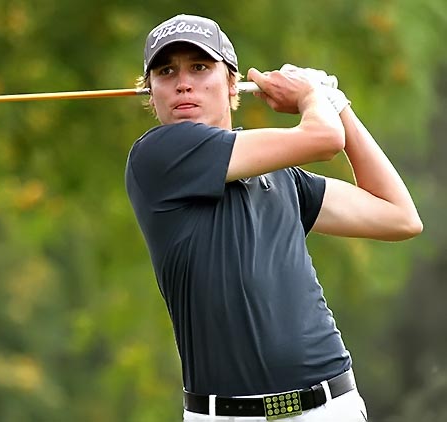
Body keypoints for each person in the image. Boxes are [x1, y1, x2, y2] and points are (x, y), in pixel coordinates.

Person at [124, 14, 423, 422]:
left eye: (199, 67)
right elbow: (323, 139)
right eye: (165, 71)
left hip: (330, 405)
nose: (182, 83)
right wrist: (312, 99)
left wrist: (339, 105)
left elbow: (399, 216)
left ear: (233, 85)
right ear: (151, 91)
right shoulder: (158, 156)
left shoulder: (282, 177)